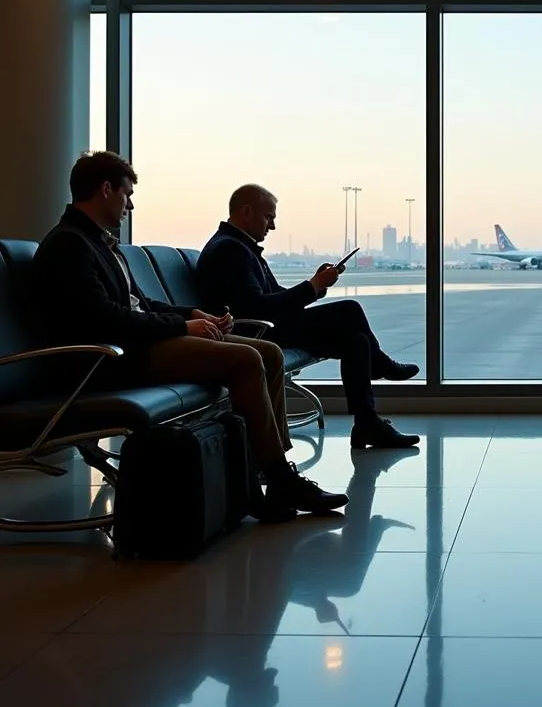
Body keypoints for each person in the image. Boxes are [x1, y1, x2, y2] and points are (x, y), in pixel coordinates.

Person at [32, 152, 347, 522]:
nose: (129, 205)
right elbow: (105, 319)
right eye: (126, 194)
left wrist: (191, 315)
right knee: (245, 359)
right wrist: (182, 328)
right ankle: (276, 478)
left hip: (134, 344)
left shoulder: (97, 244)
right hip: (107, 359)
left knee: (268, 353)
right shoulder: (69, 245)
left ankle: (272, 471)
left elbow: (139, 304)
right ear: (105, 190)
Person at [196, 184, 420, 450]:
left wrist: (316, 286)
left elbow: (273, 297)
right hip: (255, 332)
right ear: (246, 211)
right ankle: (381, 365)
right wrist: (312, 286)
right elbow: (257, 308)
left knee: (356, 341)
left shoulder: (239, 246)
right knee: (350, 310)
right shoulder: (230, 250)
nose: (273, 226)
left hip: (266, 325)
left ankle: (367, 424)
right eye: (269, 217)